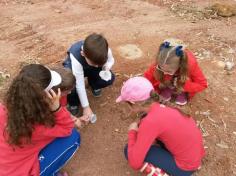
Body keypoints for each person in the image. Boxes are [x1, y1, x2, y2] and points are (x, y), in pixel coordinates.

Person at [0, 64, 81, 176]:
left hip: (6, 162)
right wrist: (57, 109)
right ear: (42, 97)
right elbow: (67, 128)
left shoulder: (4, 107)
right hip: (18, 172)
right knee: (73, 137)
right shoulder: (38, 126)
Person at [116, 76, 205, 176]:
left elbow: (135, 163)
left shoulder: (150, 121)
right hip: (195, 157)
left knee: (128, 151)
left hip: (185, 168)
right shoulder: (165, 105)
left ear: (133, 103)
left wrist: (132, 132)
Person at [63, 33, 115, 116]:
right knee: (70, 85)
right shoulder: (76, 56)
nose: (97, 66)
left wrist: (106, 67)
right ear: (83, 54)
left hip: (88, 67)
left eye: (98, 64)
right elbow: (79, 84)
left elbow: (111, 60)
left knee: (108, 78)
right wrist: (86, 107)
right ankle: (73, 103)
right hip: (76, 69)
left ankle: (94, 85)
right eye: (94, 63)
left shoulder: (105, 50)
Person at [144, 40, 207, 105]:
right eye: (160, 68)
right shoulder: (160, 62)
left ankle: (180, 92)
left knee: (183, 83)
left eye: (168, 71)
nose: (165, 73)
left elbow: (202, 84)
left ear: (180, 65)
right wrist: (159, 85)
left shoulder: (191, 64)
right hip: (168, 84)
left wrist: (183, 86)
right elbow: (147, 80)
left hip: (181, 83)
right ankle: (167, 88)